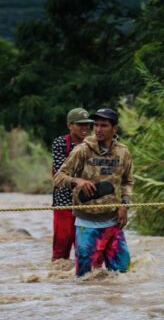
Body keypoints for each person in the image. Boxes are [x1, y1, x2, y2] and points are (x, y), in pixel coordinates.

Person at [53, 108, 133, 277]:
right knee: (85, 279)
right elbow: (59, 177)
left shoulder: (123, 152)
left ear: (114, 129)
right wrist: (77, 181)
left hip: (113, 222)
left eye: (103, 125)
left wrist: (125, 205)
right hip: (86, 224)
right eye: (96, 125)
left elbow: (127, 182)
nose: (98, 129)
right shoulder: (82, 150)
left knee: (123, 275)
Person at [51, 108, 93, 261]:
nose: (85, 128)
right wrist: (78, 180)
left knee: (86, 250)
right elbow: (59, 172)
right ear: (70, 125)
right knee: (61, 248)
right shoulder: (60, 143)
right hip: (64, 202)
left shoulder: (94, 144)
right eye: (80, 124)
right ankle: (58, 280)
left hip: (87, 202)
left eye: (87, 124)